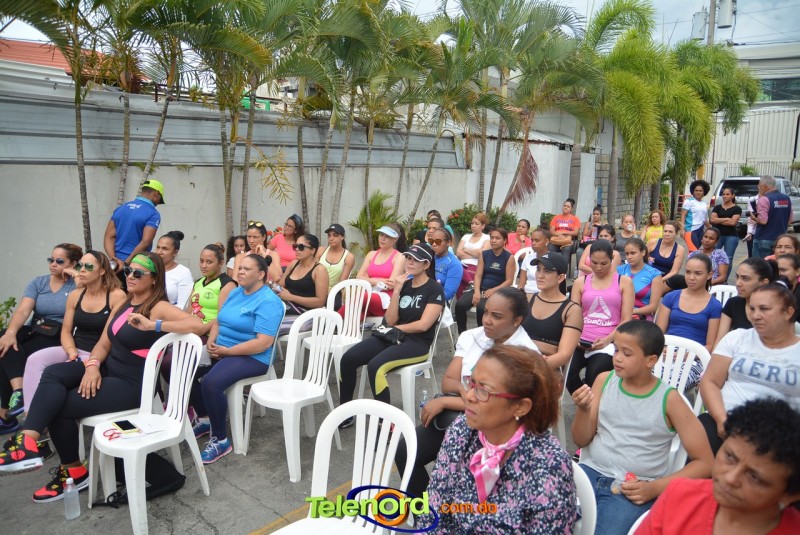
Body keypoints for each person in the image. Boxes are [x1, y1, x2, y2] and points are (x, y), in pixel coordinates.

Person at [0, 252, 204, 503]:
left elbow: (199, 326)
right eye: (128, 270)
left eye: (138, 273)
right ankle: (28, 441)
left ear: (154, 279)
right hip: (107, 370)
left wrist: (155, 325)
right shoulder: (127, 301)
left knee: (59, 406)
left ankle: (72, 471)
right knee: (53, 373)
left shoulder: (157, 306)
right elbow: (104, 343)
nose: (130, 276)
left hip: (131, 385)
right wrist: (92, 366)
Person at [571, 320, 714, 535]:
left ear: (651, 360)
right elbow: (581, 440)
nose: (617, 358)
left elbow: (705, 463)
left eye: (627, 353)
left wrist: (654, 488)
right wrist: (583, 410)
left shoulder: (669, 399)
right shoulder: (604, 380)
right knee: (543, 514)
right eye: (616, 350)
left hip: (633, 487)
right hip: (589, 473)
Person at [417, 345, 577, 534]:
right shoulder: (462, 430)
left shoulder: (549, 467)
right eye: (471, 383)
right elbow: (433, 508)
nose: (469, 396)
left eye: (483, 390)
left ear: (520, 407)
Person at [395, 288, 537, 499]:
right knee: (405, 450)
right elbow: (448, 382)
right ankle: (426, 512)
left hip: (496, 429)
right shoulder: (472, 336)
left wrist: (446, 402)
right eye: (485, 312)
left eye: (496, 316)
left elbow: (497, 405)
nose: (487, 320)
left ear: (517, 320)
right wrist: (466, 392)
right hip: (460, 418)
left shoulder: (525, 355)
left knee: (460, 478)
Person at [637, 398, 800, 534]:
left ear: (790, 495)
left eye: (754, 477)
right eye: (730, 457)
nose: (730, 478)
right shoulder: (679, 496)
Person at [338, 244, 444, 428]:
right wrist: (396, 290)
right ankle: (345, 414)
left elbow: (424, 325)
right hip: (394, 336)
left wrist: (397, 328)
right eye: (408, 258)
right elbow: (389, 320)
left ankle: (386, 422)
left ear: (426, 264)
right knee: (348, 359)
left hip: (417, 343)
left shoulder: (434, 289)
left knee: (375, 366)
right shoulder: (404, 285)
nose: (410, 262)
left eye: (415, 260)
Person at [192, 254, 283, 463]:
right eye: (240, 268)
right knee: (181, 368)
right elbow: (219, 320)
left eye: (246, 269)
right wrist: (211, 342)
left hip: (253, 357)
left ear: (260, 274)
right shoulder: (236, 292)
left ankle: (221, 440)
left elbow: (263, 343)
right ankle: (205, 418)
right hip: (222, 348)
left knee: (211, 383)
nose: (240, 272)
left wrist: (227, 352)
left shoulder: (269, 301)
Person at [698, 283, 800, 456]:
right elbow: (710, 381)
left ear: (788, 312)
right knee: (702, 432)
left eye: (764, 309)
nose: (755, 315)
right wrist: (721, 419)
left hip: (779, 434)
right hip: (725, 420)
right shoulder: (737, 338)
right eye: (752, 308)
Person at [23, 252, 126, 412]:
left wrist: (89, 360)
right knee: (34, 359)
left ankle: (44, 414)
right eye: (79, 266)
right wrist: (72, 352)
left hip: (98, 354)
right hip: (75, 350)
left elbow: (107, 338)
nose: (81, 270)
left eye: (88, 266)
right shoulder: (75, 295)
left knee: (55, 374)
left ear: (102, 271)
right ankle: (30, 413)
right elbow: (66, 331)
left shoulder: (116, 296)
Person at [0, 244, 81, 430]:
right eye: (51, 260)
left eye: (59, 261)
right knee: (4, 340)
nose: (53, 264)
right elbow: (23, 311)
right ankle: (19, 392)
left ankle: (6, 416)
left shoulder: (76, 285)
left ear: (73, 263)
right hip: (36, 328)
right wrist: (11, 333)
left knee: (11, 353)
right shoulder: (39, 283)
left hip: (58, 333)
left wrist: (75, 274)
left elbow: (86, 297)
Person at [567, 239, 634, 394]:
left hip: (608, 340)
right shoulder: (580, 282)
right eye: (594, 263)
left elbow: (626, 319)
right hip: (581, 340)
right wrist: (575, 338)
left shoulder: (623, 282)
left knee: (595, 374)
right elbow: (573, 315)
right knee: (568, 373)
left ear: (612, 259)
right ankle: (585, 402)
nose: (598, 268)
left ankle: (592, 403)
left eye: (604, 263)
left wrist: (607, 340)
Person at [655, 254, 722, 387]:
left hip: (694, 357)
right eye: (688, 272)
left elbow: (710, 345)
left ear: (709, 275)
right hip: (667, 351)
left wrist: (686, 355)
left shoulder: (714, 306)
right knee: (643, 378)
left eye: (698, 273)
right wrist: (662, 348)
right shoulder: (671, 297)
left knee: (673, 385)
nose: (691, 277)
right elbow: (658, 333)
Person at [521, 253, 583, 373]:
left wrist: (534, 367)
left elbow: (564, 354)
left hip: (545, 370)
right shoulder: (526, 299)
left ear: (560, 278)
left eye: (547, 271)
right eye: (538, 269)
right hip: (518, 362)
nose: (540, 275)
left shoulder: (572, 310)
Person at [454, 228, 515, 333]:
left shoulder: (509, 257)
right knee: (460, 305)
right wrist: (476, 291)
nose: (494, 240)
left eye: (497, 238)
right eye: (492, 238)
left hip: (498, 291)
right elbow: (478, 275)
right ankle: (462, 334)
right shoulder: (484, 254)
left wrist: (493, 290)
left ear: (505, 240)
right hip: (481, 288)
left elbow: (509, 281)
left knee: (482, 308)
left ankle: (483, 335)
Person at [103, 179, 165, 282]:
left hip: (115, 266)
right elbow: (146, 241)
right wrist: (126, 263)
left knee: (114, 291)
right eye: (160, 199)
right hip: (135, 266)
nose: (158, 203)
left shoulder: (121, 208)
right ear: (156, 194)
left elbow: (109, 236)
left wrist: (114, 259)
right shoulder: (153, 213)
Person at [347, 224, 406, 318]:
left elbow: (391, 284)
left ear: (395, 239)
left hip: (386, 301)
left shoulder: (399, 257)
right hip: (368, 299)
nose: (383, 238)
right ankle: (332, 323)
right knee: (352, 315)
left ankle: (331, 322)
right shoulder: (371, 254)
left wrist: (368, 280)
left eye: (387, 236)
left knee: (360, 298)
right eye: (381, 235)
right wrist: (377, 281)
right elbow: (358, 277)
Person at [714, 257, 774, 347]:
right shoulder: (733, 303)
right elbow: (720, 342)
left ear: (764, 283)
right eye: (737, 277)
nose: (738, 283)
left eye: (745, 278)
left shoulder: (776, 310)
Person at [275, 234, 329, 333]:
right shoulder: (293, 264)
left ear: (313, 250)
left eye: (301, 247)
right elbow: (280, 286)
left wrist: (291, 297)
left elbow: (320, 301)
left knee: (270, 327)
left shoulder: (319, 270)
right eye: (295, 246)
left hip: (307, 315)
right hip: (288, 309)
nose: (296, 249)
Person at [187, 243, 237, 336]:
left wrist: (202, 330)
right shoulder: (198, 283)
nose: (204, 266)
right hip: (191, 330)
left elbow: (222, 317)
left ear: (221, 263)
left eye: (209, 262)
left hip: (209, 334)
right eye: (201, 261)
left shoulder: (227, 284)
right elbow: (189, 312)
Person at [618, 238, 663, 321]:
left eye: (633, 253)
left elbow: (653, 307)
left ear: (643, 252)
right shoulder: (619, 270)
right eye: (627, 254)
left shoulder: (654, 274)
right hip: (618, 314)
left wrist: (631, 312)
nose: (629, 257)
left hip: (640, 318)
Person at [751, 175, 793, 259]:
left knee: (761, 265)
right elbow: (790, 220)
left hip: (763, 238)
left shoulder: (764, 199)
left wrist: (754, 218)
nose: (758, 187)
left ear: (764, 186)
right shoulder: (786, 198)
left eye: (759, 185)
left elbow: (763, 221)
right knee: (777, 264)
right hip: (780, 239)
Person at [155, 230, 194, 308]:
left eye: (165, 249)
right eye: (158, 247)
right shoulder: (149, 268)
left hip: (169, 314)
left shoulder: (183, 272)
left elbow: (183, 305)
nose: (159, 252)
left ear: (175, 252)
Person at [648, 221, 687, 293]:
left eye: (670, 232)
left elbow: (674, 272)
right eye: (665, 231)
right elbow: (640, 257)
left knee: (678, 280)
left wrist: (659, 280)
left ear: (676, 233)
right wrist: (647, 258)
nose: (667, 234)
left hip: (665, 279)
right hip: (648, 275)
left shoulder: (680, 249)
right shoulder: (653, 242)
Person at [710, 186, 742, 275]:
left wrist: (719, 220)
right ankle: (712, 276)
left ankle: (724, 278)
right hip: (717, 235)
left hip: (731, 236)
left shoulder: (737, 209)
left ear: (733, 196)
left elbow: (732, 222)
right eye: (723, 194)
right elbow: (712, 220)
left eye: (727, 194)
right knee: (713, 255)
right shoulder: (717, 207)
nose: (725, 196)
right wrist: (727, 218)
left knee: (728, 258)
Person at [427, 227, 463, 302]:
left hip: (436, 301)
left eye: (438, 241)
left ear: (448, 242)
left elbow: (448, 293)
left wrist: (428, 295)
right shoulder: (426, 257)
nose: (434, 244)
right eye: (431, 241)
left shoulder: (454, 264)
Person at [315, 224, 354, 290]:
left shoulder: (349, 257)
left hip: (334, 291)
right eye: (329, 235)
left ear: (342, 237)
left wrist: (330, 292)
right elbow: (313, 273)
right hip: (315, 288)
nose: (331, 238)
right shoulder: (320, 251)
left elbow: (342, 283)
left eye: (335, 235)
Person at [455, 213, 490, 283]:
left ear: (483, 226)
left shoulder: (487, 238)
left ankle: (470, 284)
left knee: (464, 275)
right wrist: (476, 254)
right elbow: (458, 253)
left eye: (476, 224)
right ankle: (470, 284)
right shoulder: (466, 237)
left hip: (476, 265)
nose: (473, 226)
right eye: (472, 223)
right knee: (456, 272)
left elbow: (483, 254)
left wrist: (466, 250)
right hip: (461, 264)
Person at [516, 228, 552, 297]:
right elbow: (521, 284)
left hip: (545, 296)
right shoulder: (528, 258)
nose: (533, 243)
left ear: (547, 241)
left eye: (537, 240)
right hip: (526, 294)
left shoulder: (554, 259)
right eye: (532, 240)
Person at [549, 198, 581, 270]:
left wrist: (563, 232)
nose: (565, 207)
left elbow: (576, 232)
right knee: (550, 248)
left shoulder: (575, 219)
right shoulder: (556, 218)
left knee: (566, 249)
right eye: (564, 206)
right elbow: (551, 231)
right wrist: (558, 235)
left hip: (568, 242)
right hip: (556, 240)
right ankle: (551, 269)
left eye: (568, 206)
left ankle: (563, 271)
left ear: (571, 209)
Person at [681, 179, 711, 252]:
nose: (698, 192)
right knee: (694, 250)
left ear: (704, 192)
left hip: (700, 231)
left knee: (695, 251)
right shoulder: (688, 201)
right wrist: (682, 229)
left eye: (700, 191)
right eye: (696, 190)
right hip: (690, 230)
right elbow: (683, 215)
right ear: (693, 191)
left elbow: (704, 219)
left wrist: (711, 227)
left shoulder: (704, 203)